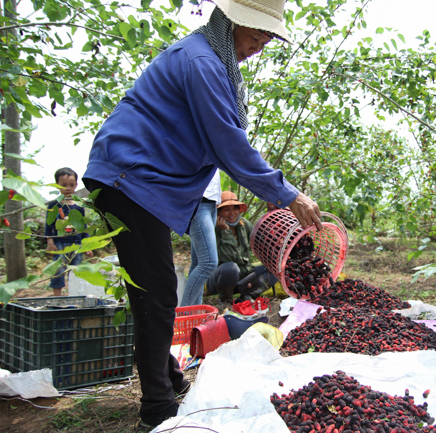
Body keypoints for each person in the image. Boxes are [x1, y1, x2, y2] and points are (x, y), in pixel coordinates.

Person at [81, 0, 322, 429]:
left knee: (155, 291)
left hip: (142, 181)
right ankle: (157, 407)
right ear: (232, 24)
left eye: (266, 39)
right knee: (155, 295)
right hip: (130, 178)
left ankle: (169, 379)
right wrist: (288, 195)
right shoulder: (202, 64)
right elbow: (229, 145)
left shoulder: (211, 59)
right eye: (255, 37)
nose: (259, 47)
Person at [204, 191, 278, 303]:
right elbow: (227, 259)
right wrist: (226, 232)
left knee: (275, 268)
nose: (232, 213)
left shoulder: (244, 225)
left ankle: (248, 296)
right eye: (227, 210)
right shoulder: (213, 229)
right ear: (219, 212)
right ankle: (225, 299)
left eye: (235, 209)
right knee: (230, 268)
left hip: (243, 276)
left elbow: (260, 244)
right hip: (220, 280)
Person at [45, 168, 94, 297]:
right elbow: (48, 225)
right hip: (60, 243)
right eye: (64, 185)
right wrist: (50, 242)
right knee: (58, 270)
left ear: (76, 186)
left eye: (71, 185)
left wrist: (87, 244)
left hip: (77, 244)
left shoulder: (79, 206)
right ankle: (57, 297)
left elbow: (83, 226)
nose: (68, 188)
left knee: (76, 271)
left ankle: (75, 296)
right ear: (57, 185)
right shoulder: (53, 205)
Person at [180, 171, 221, 307]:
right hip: (200, 200)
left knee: (198, 262)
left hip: (212, 202)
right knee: (208, 263)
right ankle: (183, 312)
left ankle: (194, 312)